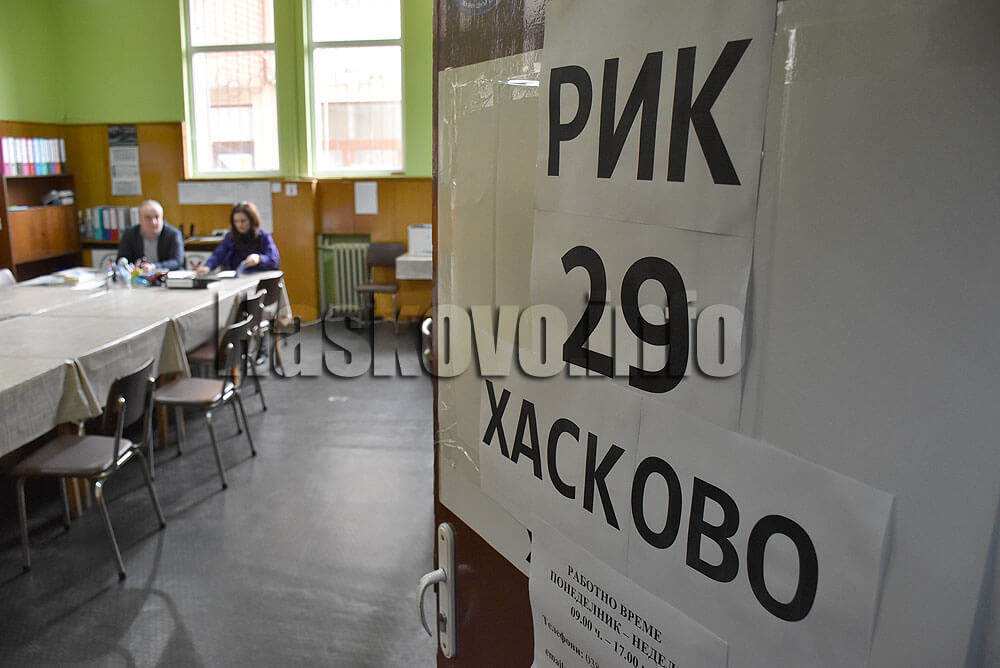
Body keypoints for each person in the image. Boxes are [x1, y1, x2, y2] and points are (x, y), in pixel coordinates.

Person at [197, 201, 280, 274]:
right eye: (236, 221)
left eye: (243, 221)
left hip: (258, 279)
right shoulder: (230, 237)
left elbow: (273, 259)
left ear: (252, 220)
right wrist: (208, 266)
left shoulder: (263, 237)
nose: (239, 225)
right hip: (236, 279)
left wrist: (259, 258)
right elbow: (218, 254)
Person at [116, 200, 185, 271]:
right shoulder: (130, 234)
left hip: (165, 275)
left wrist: (153, 267)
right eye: (148, 218)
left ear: (162, 218)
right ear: (140, 219)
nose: (153, 222)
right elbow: (121, 259)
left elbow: (177, 262)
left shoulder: (173, 234)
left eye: (157, 217)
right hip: (138, 275)